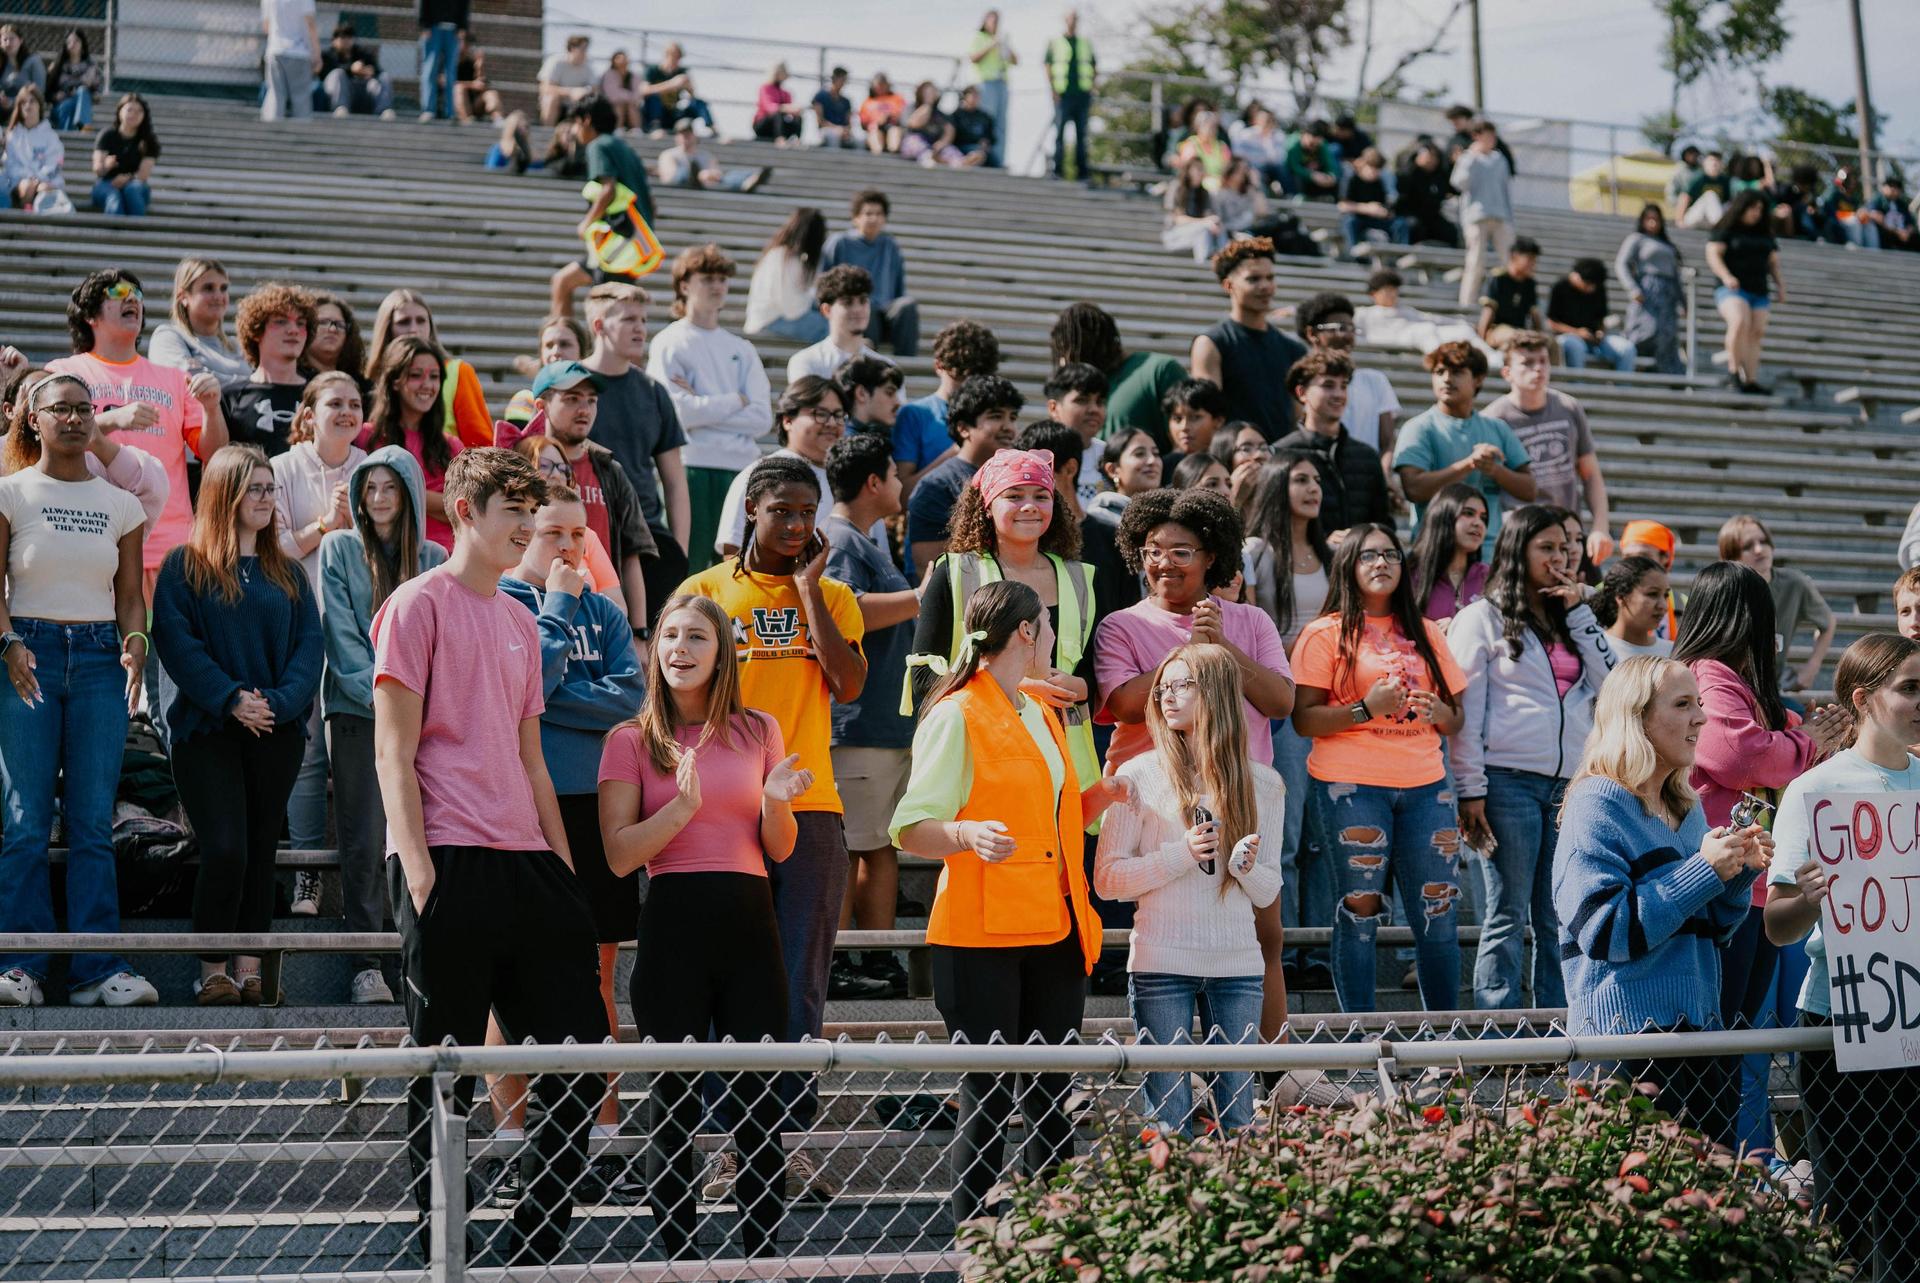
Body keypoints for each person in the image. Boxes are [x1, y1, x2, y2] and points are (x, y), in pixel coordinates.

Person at [373, 447, 608, 1262]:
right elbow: (391, 753)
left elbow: (533, 757)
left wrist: (564, 868)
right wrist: (418, 869)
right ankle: (445, 1242)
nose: (528, 526)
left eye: (532, 510)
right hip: (448, 856)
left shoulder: (518, 616)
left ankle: (531, 1241)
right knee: (445, 1072)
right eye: (513, 510)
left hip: (531, 865)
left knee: (580, 1059)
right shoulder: (415, 604)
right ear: (465, 512)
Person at [893, 579, 1129, 1222]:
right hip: (979, 937)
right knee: (990, 1095)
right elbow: (911, 826)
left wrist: (1098, 799)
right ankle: (978, 1238)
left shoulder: (1038, 708)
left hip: (1053, 928)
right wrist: (965, 834)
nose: (1055, 638)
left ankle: (1052, 1239)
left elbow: (1046, 824)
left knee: (1054, 1096)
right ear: (1027, 632)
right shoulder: (954, 713)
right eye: (1049, 625)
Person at [675, 455, 865, 1206]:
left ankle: (783, 1144)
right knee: (729, 980)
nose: (794, 526)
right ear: (750, 509)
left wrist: (810, 587)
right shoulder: (704, 592)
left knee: (799, 983)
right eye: (780, 510)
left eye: (805, 513)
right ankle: (730, 1148)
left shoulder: (837, 593)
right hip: (723, 808)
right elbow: (675, 691)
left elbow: (847, 683)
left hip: (811, 807)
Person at [598, 592, 802, 1257]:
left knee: (759, 1107)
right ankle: (679, 1258)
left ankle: (762, 1256)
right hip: (673, 927)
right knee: (673, 1106)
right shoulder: (630, 739)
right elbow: (621, 852)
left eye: (697, 638)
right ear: (654, 651)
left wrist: (774, 802)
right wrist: (682, 808)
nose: (680, 649)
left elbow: (780, 848)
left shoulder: (759, 728)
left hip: (751, 926)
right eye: (670, 637)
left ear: (721, 654)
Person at [1552, 655, 1769, 1145]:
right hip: (1625, 1042)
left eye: (1700, 703)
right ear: (1638, 718)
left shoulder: (1685, 806)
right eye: (1682, 704)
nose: (1701, 717)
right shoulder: (1597, 802)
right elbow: (1607, 932)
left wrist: (1734, 873)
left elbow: (1709, 929)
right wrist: (1703, 870)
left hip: (1697, 1033)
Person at [495, 482, 644, 1194]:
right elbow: (532, 680)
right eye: (555, 532)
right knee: (515, 976)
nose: (570, 547)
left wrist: (556, 697)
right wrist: (554, 610)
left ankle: (603, 1137)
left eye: (579, 534)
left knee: (599, 974)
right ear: (524, 534)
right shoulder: (503, 599)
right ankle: (511, 1138)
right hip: (528, 804)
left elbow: (632, 696)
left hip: (599, 805)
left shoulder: (605, 609)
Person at [1763, 633, 1920, 1279]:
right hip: (1840, 1021)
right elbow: (1776, 925)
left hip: (1915, 1020)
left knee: (1911, 1209)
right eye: (1909, 686)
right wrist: (1807, 897)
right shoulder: (1814, 790)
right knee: (1852, 1206)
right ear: (1863, 697)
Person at [0, 372, 155, 1009]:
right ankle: (22, 968)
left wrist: (137, 643)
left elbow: (129, 600)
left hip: (97, 661)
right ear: (32, 420)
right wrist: (7, 642)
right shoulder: (10, 492)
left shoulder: (122, 504)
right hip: (25, 656)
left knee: (92, 823)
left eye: (84, 409)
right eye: (59, 409)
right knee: (25, 821)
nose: (73, 419)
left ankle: (99, 971)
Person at [153, 444, 321, 1005]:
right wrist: (230, 700)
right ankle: (212, 970)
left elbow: (308, 650)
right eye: (255, 488)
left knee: (259, 851)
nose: (268, 498)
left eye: (271, 488)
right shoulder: (184, 566)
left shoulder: (290, 572)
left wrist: (273, 702)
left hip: (276, 730)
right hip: (208, 733)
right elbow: (177, 644)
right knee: (226, 848)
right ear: (225, 493)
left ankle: (251, 969)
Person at [1095, 642, 1285, 1133]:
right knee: (1170, 1119)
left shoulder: (1264, 784)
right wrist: (1181, 854)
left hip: (1238, 966)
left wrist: (1243, 867)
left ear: (1219, 693)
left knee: (1240, 1117)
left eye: (1183, 686)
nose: (1166, 698)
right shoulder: (1136, 776)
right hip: (1162, 962)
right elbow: (1108, 878)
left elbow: (1267, 891)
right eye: (1163, 688)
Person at [1674, 562, 1850, 1058]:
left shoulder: (1742, 685)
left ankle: (1722, 1136)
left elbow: (1783, 739)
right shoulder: (1707, 676)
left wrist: (1812, 736)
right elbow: (1741, 756)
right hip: (1717, 877)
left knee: (1736, 1035)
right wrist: (1808, 741)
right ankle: (1701, 1137)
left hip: (1751, 880)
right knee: (1716, 1035)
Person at [1290, 523, 1467, 1012]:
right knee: (1361, 909)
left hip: (1427, 786)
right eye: (1368, 556)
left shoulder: (1427, 632)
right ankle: (1359, 1044)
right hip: (1351, 785)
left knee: (1439, 911)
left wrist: (1438, 712)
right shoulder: (1323, 632)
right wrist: (1365, 709)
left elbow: (1456, 719)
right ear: (1349, 565)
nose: (1381, 563)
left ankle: (1447, 1051)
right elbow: (1303, 719)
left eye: (1391, 554)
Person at [1448, 504, 1615, 1011]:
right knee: (1507, 911)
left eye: (1565, 548)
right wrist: (1470, 789)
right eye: (1546, 548)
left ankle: (1556, 1024)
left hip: (1569, 784)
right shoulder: (1481, 617)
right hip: (1506, 782)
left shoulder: (1572, 619)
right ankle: (1497, 1029)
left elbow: (1612, 683)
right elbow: (1466, 711)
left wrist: (1580, 610)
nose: (1560, 557)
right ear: (1518, 551)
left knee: (1558, 912)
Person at [319, 446, 441, 1004]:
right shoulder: (339, 548)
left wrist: (421, 709)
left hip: (425, 721)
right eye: (369, 489)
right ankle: (366, 962)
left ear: (411, 493)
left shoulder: (436, 556)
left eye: (391, 487)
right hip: (357, 716)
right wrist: (397, 703)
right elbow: (344, 646)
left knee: (425, 836)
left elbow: (446, 645)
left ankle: (419, 954)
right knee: (366, 841)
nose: (379, 499)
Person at [49, 268, 228, 602]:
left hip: (170, 551)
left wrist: (212, 408)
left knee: (168, 654)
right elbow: (47, 437)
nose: (132, 298)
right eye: (117, 293)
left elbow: (214, 454)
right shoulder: (63, 373)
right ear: (90, 315)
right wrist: (113, 420)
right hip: (86, 541)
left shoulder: (173, 378)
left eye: (137, 293)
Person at [823, 434, 919, 999]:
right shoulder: (839, 540)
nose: (901, 484)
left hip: (884, 723)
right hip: (857, 725)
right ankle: (837, 963)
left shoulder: (863, 539)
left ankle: (878, 960)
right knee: (849, 848)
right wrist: (921, 596)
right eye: (894, 474)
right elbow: (842, 612)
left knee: (878, 846)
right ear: (874, 483)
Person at [271, 373, 365, 914]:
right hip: (296, 624)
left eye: (355, 404)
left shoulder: (373, 468)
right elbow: (273, 551)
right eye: (335, 403)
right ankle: (307, 873)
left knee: (352, 755)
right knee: (306, 755)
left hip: (358, 629)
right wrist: (325, 525)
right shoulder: (282, 470)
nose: (347, 412)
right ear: (308, 413)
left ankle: (363, 877)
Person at [1240, 452, 1332, 972]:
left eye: (1317, 480)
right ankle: (1288, 949)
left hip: (1327, 702)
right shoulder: (1257, 550)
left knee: (1322, 839)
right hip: (1281, 704)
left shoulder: (1329, 550)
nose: (1312, 487)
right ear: (1277, 486)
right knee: (1289, 837)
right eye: (1300, 479)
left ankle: (1315, 949)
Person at [644, 245, 770, 573]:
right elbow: (677, 414)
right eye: (707, 278)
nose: (717, 286)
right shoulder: (668, 342)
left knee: (737, 569)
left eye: (722, 279)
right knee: (689, 569)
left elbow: (761, 418)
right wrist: (734, 400)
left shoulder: (742, 348)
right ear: (684, 285)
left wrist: (703, 407)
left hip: (742, 470)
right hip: (692, 468)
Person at [574, 283, 690, 625]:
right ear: (599, 326)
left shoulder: (653, 391)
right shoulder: (571, 387)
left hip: (649, 536)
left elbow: (674, 481)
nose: (640, 328)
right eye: (628, 319)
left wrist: (679, 551)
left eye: (643, 319)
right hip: (587, 530)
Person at [523, 360, 655, 634]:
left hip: (598, 619)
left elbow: (632, 555)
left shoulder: (609, 469)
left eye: (591, 400)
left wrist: (640, 631)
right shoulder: (518, 466)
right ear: (542, 406)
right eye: (572, 399)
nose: (584, 409)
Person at [714, 377, 880, 559]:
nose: (832, 423)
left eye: (838, 415)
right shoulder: (762, 474)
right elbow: (733, 551)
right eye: (820, 413)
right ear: (787, 420)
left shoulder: (852, 478)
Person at [1483, 332, 1611, 560]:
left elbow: (1590, 473)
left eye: (1543, 361)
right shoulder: (1493, 419)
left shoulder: (1568, 406)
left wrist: (1600, 528)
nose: (1538, 368)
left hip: (1567, 530)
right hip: (1520, 530)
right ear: (1507, 373)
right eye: (1527, 363)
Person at [1394, 341, 1534, 541]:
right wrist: (1469, 464)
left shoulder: (1497, 428)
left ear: (1478, 379)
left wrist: (1495, 470)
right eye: (1440, 372)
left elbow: (1529, 489)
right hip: (1434, 549)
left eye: (1457, 372)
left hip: (1487, 553)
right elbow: (1414, 489)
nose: (1447, 379)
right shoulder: (1418, 428)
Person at [546, 94, 658, 318]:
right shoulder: (625, 149)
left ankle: (566, 344)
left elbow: (609, 189)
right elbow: (652, 203)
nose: (576, 132)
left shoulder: (597, 146)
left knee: (606, 314)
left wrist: (586, 222)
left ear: (586, 120)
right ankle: (568, 339)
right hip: (632, 244)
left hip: (616, 246)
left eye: (576, 124)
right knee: (562, 281)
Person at [904, 376, 1022, 576]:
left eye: (1012, 417)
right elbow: (930, 568)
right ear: (964, 428)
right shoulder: (936, 486)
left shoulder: (1016, 477)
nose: (1008, 427)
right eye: (995, 416)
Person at [1190, 239, 1306, 440]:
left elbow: (1299, 420)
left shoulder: (1293, 349)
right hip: (1233, 459)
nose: (1265, 286)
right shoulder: (1212, 343)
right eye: (1253, 279)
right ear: (1229, 285)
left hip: (1280, 461)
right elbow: (1208, 416)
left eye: (1270, 278)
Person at [1718, 514, 1835, 701]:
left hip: (1769, 691)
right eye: (1748, 546)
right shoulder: (1721, 589)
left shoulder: (1794, 583)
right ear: (1731, 557)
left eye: (1763, 542)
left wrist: (1812, 667)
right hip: (1726, 688)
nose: (1759, 549)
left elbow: (1828, 623)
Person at [1274, 352, 1388, 533]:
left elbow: (1383, 522)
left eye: (1343, 386)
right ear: (1302, 392)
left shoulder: (1367, 456)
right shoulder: (1280, 453)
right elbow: (1274, 521)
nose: (1338, 394)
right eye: (1328, 385)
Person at [1050, 302, 1186, 455]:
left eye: (1070, 349)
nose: (1065, 360)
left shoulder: (1158, 370)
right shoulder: (1073, 387)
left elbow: (1185, 443)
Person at [364, 336, 459, 551]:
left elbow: (462, 507)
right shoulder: (367, 437)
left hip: (444, 558)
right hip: (385, 556)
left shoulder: (452, 446)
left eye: (434, 377)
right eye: (416, 375)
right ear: (394, 380)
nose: (427, 385)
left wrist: (406, 493)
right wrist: (437, 502)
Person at [365, 289, 491, 449]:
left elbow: (481, 444)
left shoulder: (457, 372)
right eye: (404, 322)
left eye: (421, 321)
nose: (414, 329)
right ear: (386, 328)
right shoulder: (369, 377)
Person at [893, 319, 1000, 501]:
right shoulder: (915, 414)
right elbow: (902, 494)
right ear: (939, 366)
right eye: (960, 375)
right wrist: (960, 451)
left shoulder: (996, 418)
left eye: (977, 376)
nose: (968, 385)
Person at [1293, 291, 1400, 459]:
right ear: (1312, 334)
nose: (1348, 336)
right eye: (1340, 328)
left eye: (1352, 328)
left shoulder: (1375, 381)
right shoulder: (1300, 382)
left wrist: (1383, 472)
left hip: (1365, 476)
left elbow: (1387, 442)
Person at [819, 190, 920, 358]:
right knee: (865, 303)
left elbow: (898, 288)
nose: (874, 218)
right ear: (856, 218)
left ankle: (905, 362)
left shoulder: (890, 245)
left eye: (879, 214)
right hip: (852, 308)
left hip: (886, 310)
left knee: (907, 305)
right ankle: (866, 362)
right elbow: (823, 281)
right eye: (868, 213)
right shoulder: (840, 242)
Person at [1705, 191, 1784, 395]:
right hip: (1733, 288)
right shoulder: (1726, 228)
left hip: (1758, 289)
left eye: (1760, 209)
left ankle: (1750, 379)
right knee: (1739, 321)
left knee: (1756, 332)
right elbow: (1713, 254)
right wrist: (1726, 276)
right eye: (1752, 208)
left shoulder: (1765, 233)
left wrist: (1780, 286)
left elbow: (1773, 263)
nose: (1756, 213)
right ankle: (1733, 372)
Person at [223, 282, 315, 456]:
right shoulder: (230, 397)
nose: (293, 330)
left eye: (301, 323)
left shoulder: (321, 394)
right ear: (256, 331)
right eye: (281, 321)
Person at [150, 258, 252, 390]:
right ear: (183, 297)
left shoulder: (238, 346)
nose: (218, 296)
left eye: (223, 288)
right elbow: (191, 382)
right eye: (208, 288)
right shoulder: (168, 337)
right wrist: (251, 384)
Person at [1615, 203, 1685, 375]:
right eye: (1649, 219)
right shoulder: (1636, 239)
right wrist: (1632, 289)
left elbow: (1676, 276)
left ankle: (1662, 370)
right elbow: (1621, 264)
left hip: (1668, 294)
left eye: (1656, 219)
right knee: (1644, 330)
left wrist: (1684, 302)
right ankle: (1634, 365)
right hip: (1647, 291)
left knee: (1666, 334)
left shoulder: (1668, 245)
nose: (1653, 223)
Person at [1452, 121, 1515, 309]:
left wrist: (1510, 218)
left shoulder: (1500, 159)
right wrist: (1471, 156)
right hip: (1476, 216)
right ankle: (1467, 304)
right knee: (1475, 262)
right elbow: (1459, 183)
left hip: (1500, 216)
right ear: (1477, 137)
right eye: (1487, 136)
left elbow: (1505, 191)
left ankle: (1510, 302)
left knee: (1509, 262)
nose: (1491, 140)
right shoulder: (1468, 158)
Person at [1407, 483, 1490, 624]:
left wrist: (1459, 627)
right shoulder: (1410, 574)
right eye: (1468, 513)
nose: (1478, 523)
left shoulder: (1490, 577)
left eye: (1483, 518)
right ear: (1443, 516)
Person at [746, 208, 830, 345]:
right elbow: (792, 308)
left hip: (771, 318)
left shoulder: (780, 254)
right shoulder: (783, 257)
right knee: (832, 327)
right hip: (773, 320)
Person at [1355, 269, 1482, 355]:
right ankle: (1440, 361)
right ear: (1373, 294)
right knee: (1424, 329)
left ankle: (1494, 360)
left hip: (1421, 335)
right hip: (1395, 340)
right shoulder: (1364, 314)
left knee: (1463, 330)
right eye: (1387, 290)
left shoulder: (1405, 311)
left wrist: (1464, 323)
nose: (1392, 294)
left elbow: (1433, 319)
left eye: (1394, 290)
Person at [785, 266, 879, 381]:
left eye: (863, 301)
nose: (858, 309)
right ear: (827, 310)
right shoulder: (806, 362)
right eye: (847, 302)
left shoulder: (885, 367)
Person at [1546, 258, 1636, 372]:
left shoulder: (1599, 288)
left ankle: (1624, 388)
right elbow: (1552, 323)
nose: (1591, 289)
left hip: (1594, 340)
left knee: (1627, 348)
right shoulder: (1560, 287)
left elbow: (1601, 318)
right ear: (1577, 276)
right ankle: (1578, 386)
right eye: (1588, 284)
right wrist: (1577, 332)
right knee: (1576, 346)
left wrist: (1600, 332)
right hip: (1568, 338)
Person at [1044, 364, 1110, 507]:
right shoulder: (1038, 456)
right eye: (1082, 400)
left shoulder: (1110, 455)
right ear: (1053, 408)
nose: (1094, 409)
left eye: (1100, 402)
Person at [90, 93, 159, 217]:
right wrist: (106, 166)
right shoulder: (107, 135)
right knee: (114, 197)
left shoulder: (149, 140)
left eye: (139, 111)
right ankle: (114, 235)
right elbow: (98, 170)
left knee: (131, 190)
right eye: (129, 110)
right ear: (120, 111)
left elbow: (143, 175)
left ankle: (136, 232)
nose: (133, 114)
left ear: (144, 115)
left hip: (136, 185)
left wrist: (126, 179)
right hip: (107, 183)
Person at [1045, 8, 1094, 180]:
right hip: (1063, 94)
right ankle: (1058, 170)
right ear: (1065, 21)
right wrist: (1053, 90)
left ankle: (1082, 172)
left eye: (1075, 19)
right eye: (1069, 19)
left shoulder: (1085, 43)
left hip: (1082, 95)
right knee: (1059, 134)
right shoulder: (1056, 42)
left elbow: (1093, 65)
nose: (1072, 22)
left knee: (1082, 135)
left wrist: (1092, 88)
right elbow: (1048, 65)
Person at [654, 118, 768, 192]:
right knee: (683, 173)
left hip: (706, 184)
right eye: (682, 134)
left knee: (730, 176)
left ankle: (749, 181)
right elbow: (669, 177)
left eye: (688, 134)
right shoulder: (669, 154)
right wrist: (700, 175)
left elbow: (716, 173)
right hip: (681, 184)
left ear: (694, 136)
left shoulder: (705, 155)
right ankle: (693, 175)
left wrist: (707, 175)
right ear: (677, 137)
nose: (685, 138)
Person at [1592, 554, 1671, 659]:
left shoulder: (1672, 652)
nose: (1663, 606)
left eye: (1665, 595)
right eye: (1652, 594)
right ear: (1621, 596)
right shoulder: (1595, 648)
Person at [4, 87, 64, 214]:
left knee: (44, 190)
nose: (28, 105)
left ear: (39, 106)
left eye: (32, 101)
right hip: (19, 184)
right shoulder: (12, 136)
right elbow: (10, 165)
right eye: (23, 102)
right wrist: (28, 179)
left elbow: (54, 164)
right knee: (24, 187)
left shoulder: (51, 136)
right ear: (19, 107)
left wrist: (36, 181)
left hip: (46, 182)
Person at [1476, 237, 1542, 350]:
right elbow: (1488, 312)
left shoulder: (1530, 283)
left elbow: (1535, 315)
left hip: (1521, 331)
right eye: (1529, 259)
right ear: (1515, 256)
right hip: (1497, 330)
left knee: (1550, 342)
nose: (1533, 264)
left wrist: (1541, 336)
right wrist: (1481, 342)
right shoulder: (1498, 278)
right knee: (1513, 336)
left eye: (1534, 260)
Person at [259, 0, 319, 122]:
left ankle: (271, 132)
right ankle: (301, 135)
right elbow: (310, 24)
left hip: (275, 49)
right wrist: (316, 53)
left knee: (275, 95)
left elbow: (266, 26)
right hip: (299, 51)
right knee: (300, 98)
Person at [968, 10, 1015, 168]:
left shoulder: (1002, 40)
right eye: (992, 21)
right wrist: (991, 45)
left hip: (1002, 83)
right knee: (986, 122)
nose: (995, 24)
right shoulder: (980, 38)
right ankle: (983, 158)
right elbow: (973, 58)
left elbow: (1016, 60)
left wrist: (1006, 47)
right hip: (987, 84)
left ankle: (998, 160)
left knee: (1001, 125)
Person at [317, 20, 392, 117]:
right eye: (342, 37)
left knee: (384, 76)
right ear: (334, 40)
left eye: (349, 37)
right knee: (338, 73)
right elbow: (325, 73)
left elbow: (376, 70)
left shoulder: (361, 53)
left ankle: (384, 110)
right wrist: (351, 69)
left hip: (362, 92)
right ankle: (340, 109)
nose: (346, 40)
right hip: (339, 94)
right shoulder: (328, 55)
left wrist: (369, 71)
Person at [1337, 148, 1405, 253]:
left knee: (1399, 223)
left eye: (1377, 170)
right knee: (1350, 221)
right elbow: (1342, 205)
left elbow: (1384, 203)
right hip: (1358, 218)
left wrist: (1385, 211)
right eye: (1371, 168)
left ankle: (1399, 253)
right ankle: (1353, 254)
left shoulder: (1379, 182)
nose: (1374, 173)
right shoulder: (1351, 179)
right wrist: (1367, 208)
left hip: (1375, 219)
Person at [640, 43, 716, 137]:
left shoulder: (681, 71)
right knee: (654, 98)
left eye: (678, 57)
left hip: (673, 113)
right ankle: (656, 128)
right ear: (666, 55)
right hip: (655, 114)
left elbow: (692, 97)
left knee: (699, 103)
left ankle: (712, 128)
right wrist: (671, 84)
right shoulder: (652, 70)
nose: (676, 60)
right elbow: (644, 91)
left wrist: (689, 86)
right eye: (673, 56)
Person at [1161, 157, 1228, 263]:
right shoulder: (1177, 187)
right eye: (1198, 169)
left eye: (1203, 169)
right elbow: (1177, 219)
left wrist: (1213, 222)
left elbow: (1207, 216)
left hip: (1196, 233)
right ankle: (1203, 264)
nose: (1201, 173)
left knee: (1217, 225)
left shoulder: (1204, 192)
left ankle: (1224, 257)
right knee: (1204, 229)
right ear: (1188, 170)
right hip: (1174, 235)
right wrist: (1205, 222)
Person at [1394, 140, 1459, 246]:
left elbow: (1454, 188)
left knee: (1450, 231)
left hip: (1432, 216)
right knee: (1413, 226)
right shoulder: (1409, 173)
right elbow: (1402, 192)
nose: (1431, 160)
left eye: (1435, 157)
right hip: (1410, 214)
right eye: (1429, 156)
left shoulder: (1439, 176)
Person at [302, 291, 367, 390]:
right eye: (323, 322)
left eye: (340, 324)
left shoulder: (362, 386)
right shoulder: (292, 381)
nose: (333, 329)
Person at [415, 0, 468, 121]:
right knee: (429, 70)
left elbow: (464, 5)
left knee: (451, 73)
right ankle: (428, 110)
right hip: (433, 28)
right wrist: (424, 25)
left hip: (453, 29)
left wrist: (462, 27)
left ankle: (450, 112)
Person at [837, 353, 904, 438]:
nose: (898, 402)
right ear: (861, 394)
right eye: (889, 393)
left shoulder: (893, 435)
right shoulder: (838, 441)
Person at [1162, 377, 1226, 463]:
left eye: (1195, 418)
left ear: (1218, 421)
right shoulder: (1162, 469)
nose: (1184, 427)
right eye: (1177, 419)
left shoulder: (1232, 463)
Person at [47, 29, 98, 131]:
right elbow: (46, 92)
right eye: (69, 41)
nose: (72, 44)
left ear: (83, 44)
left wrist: (90, 88)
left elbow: (96, 94)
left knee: (82, 91)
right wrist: (55, 96)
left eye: (76, 41)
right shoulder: (57, 66)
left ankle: (82, 124)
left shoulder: (91, 67)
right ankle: (84, 125)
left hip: (80, 106)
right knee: (68, 105)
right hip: (60, 106)